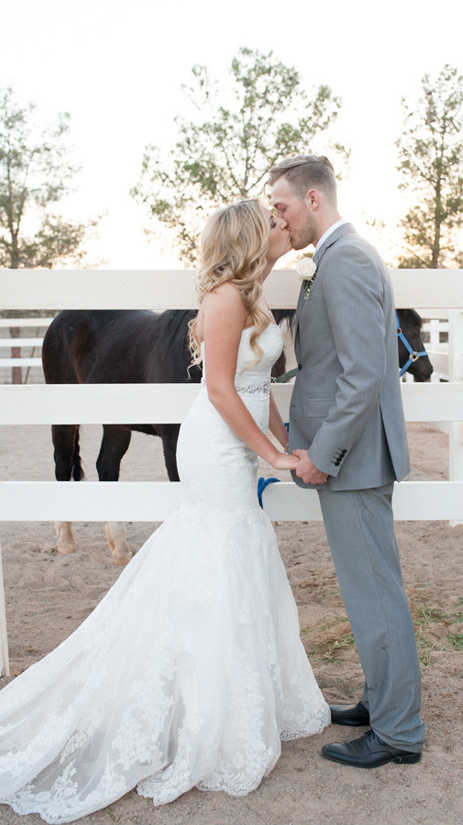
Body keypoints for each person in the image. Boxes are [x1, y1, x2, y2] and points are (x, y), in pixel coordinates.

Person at [0, 200, 330, 824]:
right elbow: (221, 390)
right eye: (274, 227)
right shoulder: (227, 299)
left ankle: (228, 698)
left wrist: (286, 445)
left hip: (242, 442)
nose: (282, 231)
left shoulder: (253, 297)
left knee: (236, 557)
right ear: (249, 240)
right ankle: (200, 708)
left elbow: (260, 391)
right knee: (215, 556)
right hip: (216, 446)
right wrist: (270, 456)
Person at [268, 155, 424, 768]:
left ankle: (398, 733)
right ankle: (380, 701)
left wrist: (324, 456)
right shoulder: (335, 259)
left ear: (313, 198)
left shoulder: (348, 259)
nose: (276, 216)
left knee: (375, 595)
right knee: (368, 591)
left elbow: (363, 376)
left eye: (281, 205)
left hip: (353, 461)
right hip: (350, 459)